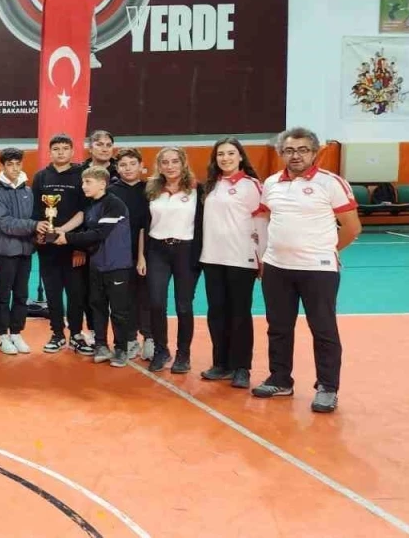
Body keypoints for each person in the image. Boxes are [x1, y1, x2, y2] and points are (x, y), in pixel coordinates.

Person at [253, 128, 360, 414]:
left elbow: (352, 227)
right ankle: (280, 379)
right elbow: (265, 218)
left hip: (318, 270)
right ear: (281, 153)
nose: (296, 155)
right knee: (278, 327)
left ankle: (327, 387)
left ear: (314, 153)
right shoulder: (271, 183)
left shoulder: (331, 183)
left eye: (302, 150)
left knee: (323, 329)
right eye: (289, 150)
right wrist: (264, 255)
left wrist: (326, 252)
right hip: (277, 268)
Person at [199, 138, 266, 389]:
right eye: (220, 154)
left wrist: (262, 257)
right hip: (212, 258)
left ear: (240, 157)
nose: (225, 158)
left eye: (230, 153)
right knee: (217, 312)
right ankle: (221, 364)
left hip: (241, 259)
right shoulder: (210, 185)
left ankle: (241, 367)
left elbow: (261, 223)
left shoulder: (251, 185)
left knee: (239, 313)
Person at [57, 166, 134, 367]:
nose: (83, 186)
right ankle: (101, 345)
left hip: (117, 265)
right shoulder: (91, 206)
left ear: (102, 184)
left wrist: (67, 238)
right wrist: (58, 231)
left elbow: (99, 234)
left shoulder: (114, 204)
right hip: (96, 265)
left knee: (118, 311)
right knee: (97, 306)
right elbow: (83, 226)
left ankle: (121, 349)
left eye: (88, 182)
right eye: (83, 182)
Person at [144, 148, 205, 374]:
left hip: (186, 251)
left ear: (183, 163)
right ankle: (161, 350)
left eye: (174, 161)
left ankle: (183, 354)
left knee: (184, 305)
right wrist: (142, 255)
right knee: (156, 303)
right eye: (165, 162)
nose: (170, 166)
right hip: (157, 251)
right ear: (159, 166)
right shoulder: (151, 189)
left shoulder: (198, 189)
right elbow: (143, 224)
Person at [32, 133, 88, 354]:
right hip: (48, 247)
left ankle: (76, 334)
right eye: (56, 149)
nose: (61, 152)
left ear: (72, 151)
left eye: (65, 148)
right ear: (50, 152)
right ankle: (57, 333)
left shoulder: (82, 175)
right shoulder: (41, 177)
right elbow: (36, 211)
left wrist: (76, 242)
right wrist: (38, 232)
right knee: (53, 292)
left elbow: (85, 212)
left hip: (74, 246)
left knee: (76, 293)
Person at [0, 148, 38, 355]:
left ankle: (16, 332)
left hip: (26, 251)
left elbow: (33, 218)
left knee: (21, 294)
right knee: (4, 294)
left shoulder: (28, 191)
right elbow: (5, 223)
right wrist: (34, 225)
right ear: (1, 166)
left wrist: (39, 233)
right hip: (6, 252)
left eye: (18, 164)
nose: (15, 168)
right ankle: (2, 335)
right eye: (10, 164)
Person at [108, 149, 152, 361]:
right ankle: (129, 339)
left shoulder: (151, 189)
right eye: (123, 165)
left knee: (148, 296)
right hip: (120, 254)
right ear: (117, 168)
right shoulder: (111, 192)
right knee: (125, 299)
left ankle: (150, 338)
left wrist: (144, 254)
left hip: (149, 252)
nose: (128, 168)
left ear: (141, 165)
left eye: (132, 164)